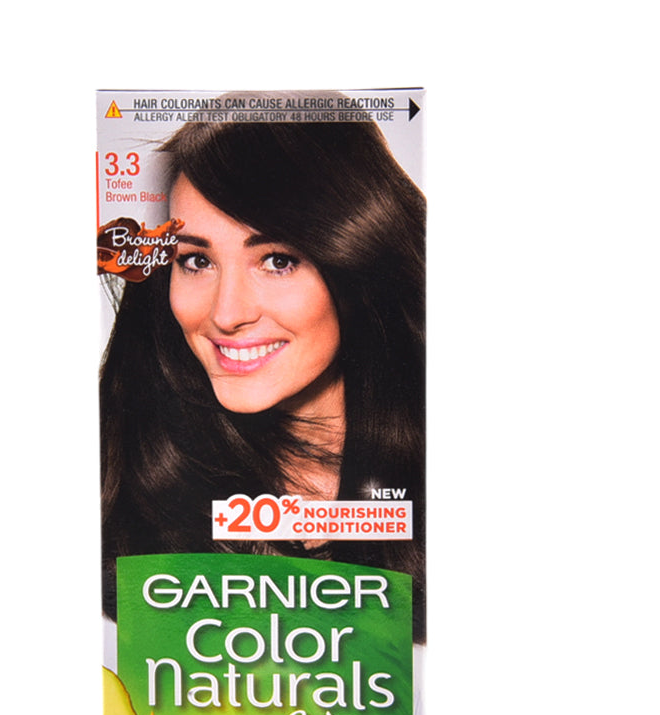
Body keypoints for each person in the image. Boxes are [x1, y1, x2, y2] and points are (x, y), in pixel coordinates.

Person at [101, 113, 426, 641]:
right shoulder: (125, 492)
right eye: (196, 261)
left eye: (277, 260)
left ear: (358, 260)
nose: (227, 313)